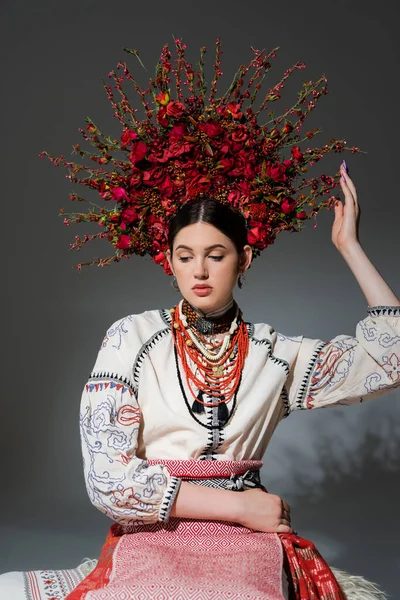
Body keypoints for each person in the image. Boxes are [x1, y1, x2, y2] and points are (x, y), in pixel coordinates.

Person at [1, 41, 397, 600]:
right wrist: (240, 504)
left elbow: (389, 359)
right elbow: (107, 480)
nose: (199, 271)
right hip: (157, 529)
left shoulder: (275, 355)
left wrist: (350, 248)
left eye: (216, 254)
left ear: (245, 259)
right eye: (185, 256)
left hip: (248, 540)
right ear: (169, 261)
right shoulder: (133, 338)